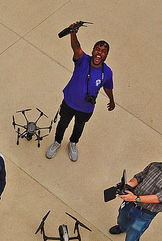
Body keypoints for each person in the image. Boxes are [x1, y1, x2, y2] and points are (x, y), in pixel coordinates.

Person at [46, 24, 115, 162]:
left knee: (79, 126)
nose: (99, 53)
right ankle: (57, 142)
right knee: (62, 124)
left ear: (106, 55)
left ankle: (73, 143)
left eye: (103, 51)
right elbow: (76, 48)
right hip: (69, 102)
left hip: (86, 108)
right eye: (97, 49)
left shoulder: (107, 72)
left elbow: (108, 86)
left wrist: (112, 100)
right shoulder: (82, 60)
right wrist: (73, 33)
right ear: (93, 50)